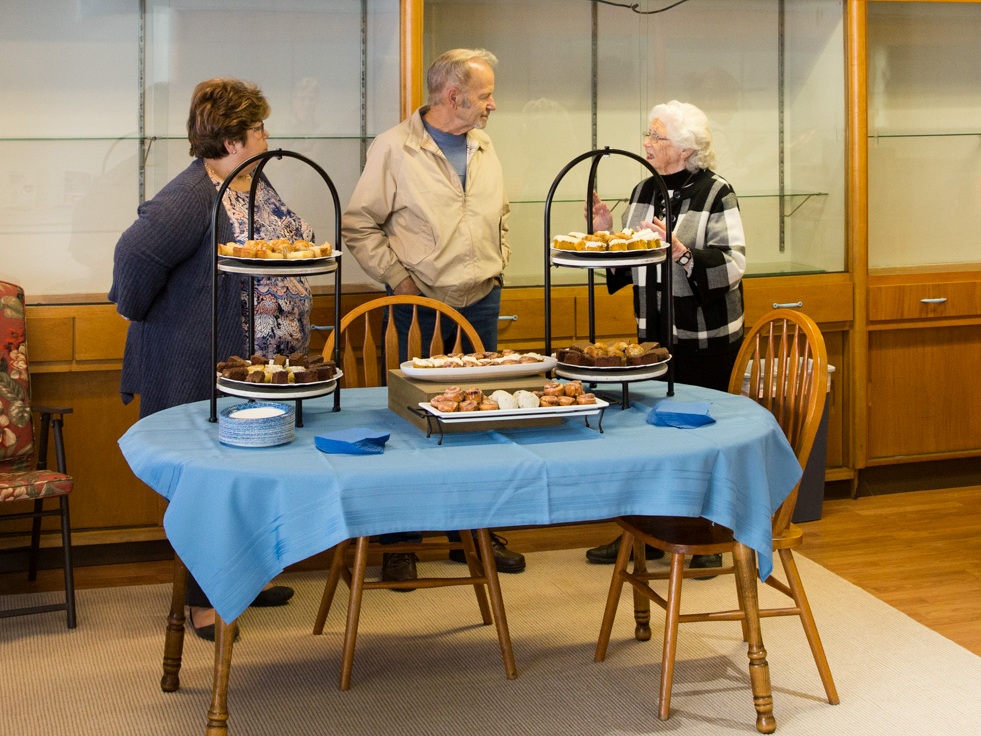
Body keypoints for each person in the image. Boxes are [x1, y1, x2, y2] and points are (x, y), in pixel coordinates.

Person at [109, 78, 313, 639]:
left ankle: (245, 578)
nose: (267, 136)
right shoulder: (190, 196)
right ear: (231, 141)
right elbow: (133, 256)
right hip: (196, 360)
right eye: (259, 128)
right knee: (208, 483)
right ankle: (202, 604)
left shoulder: (252, 178)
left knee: (250, 473)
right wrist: (143, 313)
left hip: (256, 367)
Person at [342, 48, 524, 584]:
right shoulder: (394, 147)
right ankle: (400, 542)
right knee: (410, 422)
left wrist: (498, 266)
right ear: (453, 95)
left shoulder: (484, 144)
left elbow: (500, 214)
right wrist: (401, 283)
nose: (492, 104)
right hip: (417, 305)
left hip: (481, 299)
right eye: (485, 95)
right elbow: (360, 225)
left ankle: (474, 536)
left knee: (480, 419)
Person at [584, 100, 747, 577]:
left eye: (656, 136)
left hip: (705, 337)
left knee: (700, 437)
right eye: (648, 134)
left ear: (685, 148)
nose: (646, 143)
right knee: (649, 434)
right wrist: (605, 235)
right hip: (653, 334)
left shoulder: (717, 192)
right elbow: (628, 262)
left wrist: (681, 252)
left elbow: (733, 265)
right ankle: (648, 533)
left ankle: (706, 534)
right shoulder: (643, 190)